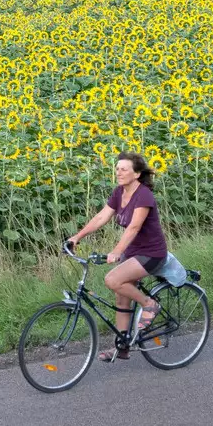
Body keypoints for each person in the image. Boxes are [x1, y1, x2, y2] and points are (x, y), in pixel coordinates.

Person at [65, 151, 170, 357]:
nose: (118, 172)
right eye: (117, 168)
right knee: (121, 299)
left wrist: (116, 251)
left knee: (113, 280)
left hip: (152, 253)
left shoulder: (144, 195)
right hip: (134, 253)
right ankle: (122, 347)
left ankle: (149, 304)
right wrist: (77, 237)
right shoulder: (119, 192)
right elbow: (101, 217)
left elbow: (134, 227)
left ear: (137, 174)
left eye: (124, 169)